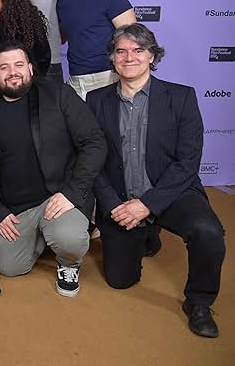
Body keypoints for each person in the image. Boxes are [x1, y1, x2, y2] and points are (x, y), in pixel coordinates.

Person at [87, 23, 225, 338]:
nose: (129, 57)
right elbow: (91, 160)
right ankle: (149, 234)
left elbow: (188, 161)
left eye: (138, 50)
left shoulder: (181, 97)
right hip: (120, 197)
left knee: (208, 231)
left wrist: (147, 204)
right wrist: (112, 205)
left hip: (170, 192)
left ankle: (200, 302)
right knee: (120, 279)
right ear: (112, 58)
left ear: (152, 56)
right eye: (121, 51)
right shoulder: (95, 101)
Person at [0, 41, 106, 297]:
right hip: (15, 209)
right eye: (4, 67)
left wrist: (72, 192)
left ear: (31, 69)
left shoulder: (58, 95)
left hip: (57, 197)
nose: (12, 71)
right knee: (9, 266)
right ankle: (44, 235)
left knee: (69, 239)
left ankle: (68, 261)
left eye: (19, 64)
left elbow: (94, 142)